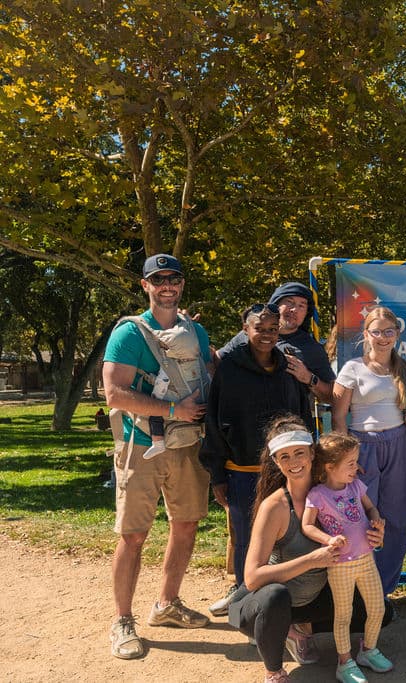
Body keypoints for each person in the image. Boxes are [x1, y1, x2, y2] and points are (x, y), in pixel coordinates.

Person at [102, 253, 213, 659]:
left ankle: (167, 605)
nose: (167, 285)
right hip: (142, 446)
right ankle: (121, 621)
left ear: (182, 285)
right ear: (145, 285)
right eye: (159, 279)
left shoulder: (196, 332)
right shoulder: (128, 334)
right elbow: (113, 393)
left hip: (187, 446)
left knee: (185, 525)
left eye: (174, 279)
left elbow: (207, 372)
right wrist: (172, 411)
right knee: (133, 536)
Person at [228, 417, 391, 683]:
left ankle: (301, 629)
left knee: (381, 610)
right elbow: (253, 577)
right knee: (275, 598)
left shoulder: (331, 490)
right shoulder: (276, 506)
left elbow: (359, 518)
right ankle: (274, 669)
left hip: (309, 597)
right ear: (276, 462)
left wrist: (375, 533)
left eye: (299, 453)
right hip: (260, 604)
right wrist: (312, 560)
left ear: (312, 453)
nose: (293, 462)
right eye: (284, 457)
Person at [203, 303, 314, 604]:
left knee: (287, 537)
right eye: (259, 329)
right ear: (245, 330)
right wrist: (217, 475)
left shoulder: (289, 367)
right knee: (245, 539)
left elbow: (302, 417)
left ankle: (286, 603)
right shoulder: (229, 369)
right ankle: (246, 602)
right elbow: (214, 422)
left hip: (286, 472)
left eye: (272, 329)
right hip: (242, 472)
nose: (266, 335)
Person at [331, 306, 406, 598]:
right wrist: (346, 459)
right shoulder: (351, 368)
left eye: (389, 331)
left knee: (399, 517)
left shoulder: (403, 368)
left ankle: (382, 589)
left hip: (399, 446)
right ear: (366, 334)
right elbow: (338, 417)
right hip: (361, 446)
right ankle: (357, 590)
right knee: (360, 517)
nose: (383, 337)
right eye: (377, 331)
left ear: (397, 334)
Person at [301, 433, 392, 683]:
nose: (356, 467)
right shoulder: (317, 495)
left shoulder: (355, 486)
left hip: (366, 559)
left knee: (377, 608)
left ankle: (368, 650)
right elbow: (307, 526)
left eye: (356, 461)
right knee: (343, 614)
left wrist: (376, 519)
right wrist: (328, 540)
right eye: (350, 463)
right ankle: (344, 662)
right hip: (340, 564)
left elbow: (370, 507)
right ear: (330, 467)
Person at [220, 282, 336, 404]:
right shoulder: (248, 335)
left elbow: (332, 397)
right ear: (276, 305)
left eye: (301, 306)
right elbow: (217, 360)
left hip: (290, 421)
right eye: (289, 302)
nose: (294, 309)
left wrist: (309, 378)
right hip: (244, 419)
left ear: (306, 313)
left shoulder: (312, 349)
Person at [142, 322, 209, 460]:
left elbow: (161, 385)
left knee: (155, 415)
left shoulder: (169, 366)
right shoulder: (198, 362)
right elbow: (207, 378)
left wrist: (156, 398)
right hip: (200, 404)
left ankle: (158, 441)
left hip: (175, 405)